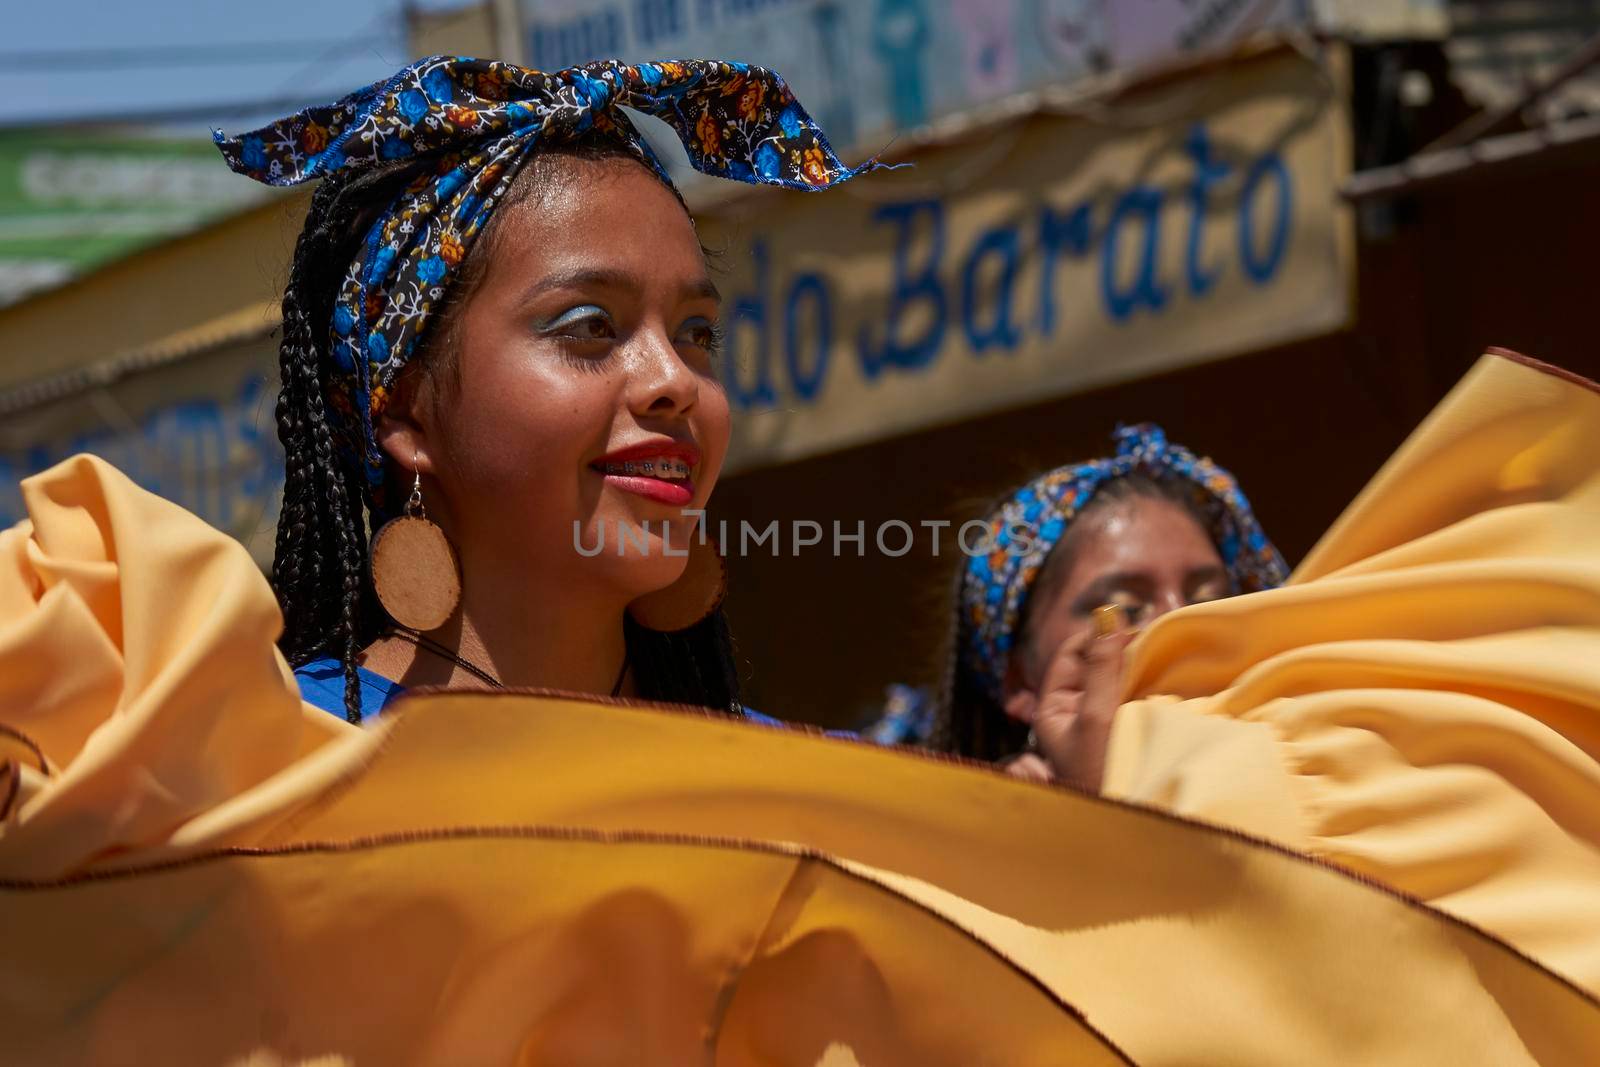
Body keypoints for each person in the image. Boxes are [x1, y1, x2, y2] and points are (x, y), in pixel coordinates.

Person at [212, 57, 883, 723]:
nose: (675, 380)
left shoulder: (802, 797)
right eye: (589, 324)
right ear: (407, 411)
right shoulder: (267, 768)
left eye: (696, 334)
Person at [930, 424, 1287, 771]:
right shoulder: (990, 831)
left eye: (1209, 599)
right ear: (1020, 681)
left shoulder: (1315, 776)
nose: (1180, 621)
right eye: (1125, 610)